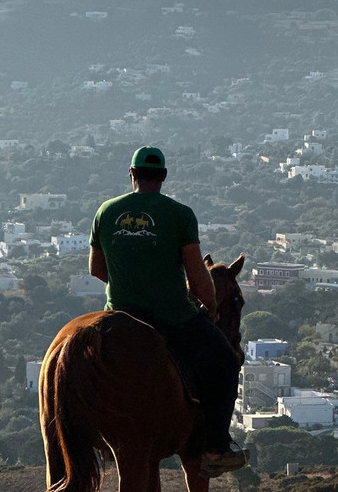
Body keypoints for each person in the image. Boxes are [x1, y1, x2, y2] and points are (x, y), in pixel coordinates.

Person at [89, 146, 246, 478]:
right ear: (163, 177)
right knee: (225, 363)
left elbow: (96, 269)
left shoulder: (106, 211)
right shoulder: (179, 214)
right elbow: (196, 274)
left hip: (117, 314)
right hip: (171, 315)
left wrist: (130, 283)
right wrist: (211, 304)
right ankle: (215, 449)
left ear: (131, 174)